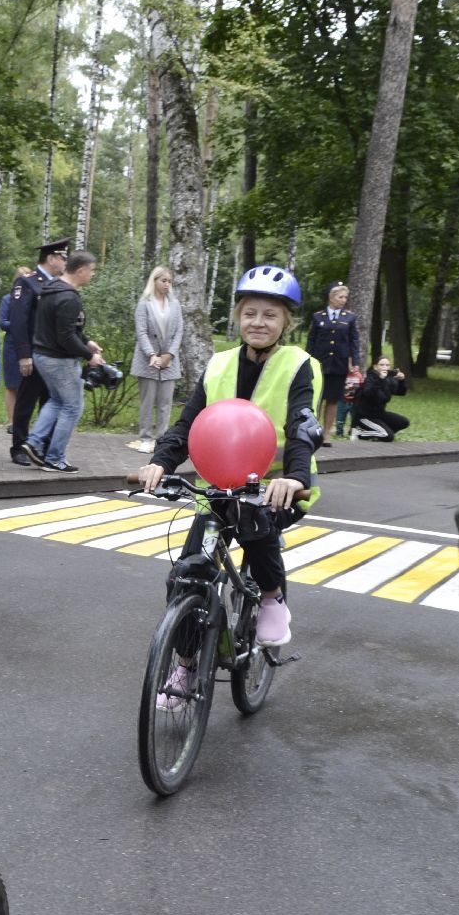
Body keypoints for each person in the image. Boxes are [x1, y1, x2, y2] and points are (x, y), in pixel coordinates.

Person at [135, 263, 321, 660]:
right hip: (218, 486)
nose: (258, 322)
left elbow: (302, 424)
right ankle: (184, 663)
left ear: (286, 321)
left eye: (270, 315)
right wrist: (160, 463)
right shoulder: (219, 364)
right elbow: (189, 425)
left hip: (275, 487)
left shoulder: (299, 364)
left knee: (253, 524)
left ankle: (272, 600)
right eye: (250, 313)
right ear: (238, 317)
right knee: (186, 573)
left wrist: (294, 476)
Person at [22, 251, 104, 474]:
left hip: (42, 354)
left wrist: (87, 342)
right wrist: (90, 356)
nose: (93, 274)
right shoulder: (69, 297)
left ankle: (34, 442)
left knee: (58, 400)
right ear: (80, 271)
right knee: (73, 407)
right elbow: (66, 337)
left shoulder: (51, 288)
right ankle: (54, 458)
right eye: (92, 270)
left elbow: (69, 329)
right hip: (59, 359)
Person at [5, 237, 69, 465]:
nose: (65, 262)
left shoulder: (59, 283)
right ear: (51, 259)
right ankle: (19, 447)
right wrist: (24, 355)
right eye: (62, 257)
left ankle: (41, 446)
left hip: (52, 356)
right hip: (32, 355)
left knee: (49, 401)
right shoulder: (27, 282)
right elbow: (19, 321)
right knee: (26, 401)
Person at [128, 265, 183, 454]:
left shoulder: (174, 304)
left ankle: (162, 438)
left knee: (165, 402)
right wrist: (152, 355)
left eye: (169, 281)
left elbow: (179, 332)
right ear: (154, 281)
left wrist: (170, 355)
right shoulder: (144, 303)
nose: (167, 284)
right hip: (147, 360)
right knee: (147, 400)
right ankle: (145, 437)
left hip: (170, 360)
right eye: (164, 280)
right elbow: (141, 332)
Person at [304, 282, 359, 445]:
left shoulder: (349, 317)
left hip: (339, 364)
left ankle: (326, 434)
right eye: (340, 297)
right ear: (331, 297)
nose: (343, 300)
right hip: (319, 362)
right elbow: (311, 340)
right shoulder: (318, 316)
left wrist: (354, 361)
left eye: (345, 297)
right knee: (317, 398)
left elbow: (354, 341)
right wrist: (307, 359)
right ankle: (314, 430)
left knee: (333, 399)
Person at [351, 356, 408, 441]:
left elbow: (401, 392)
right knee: (388, 436)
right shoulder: (370, 377)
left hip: (379, 414)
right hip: (364, 416)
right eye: (381, 365)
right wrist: (380, 379)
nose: (385, 367)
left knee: (404, 422)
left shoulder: (389, 379)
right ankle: (358, 433)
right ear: (375, 367)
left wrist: (401, 381)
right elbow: (369, 393)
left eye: (387, 365)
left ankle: (380, 433)